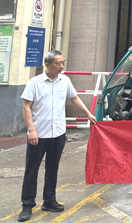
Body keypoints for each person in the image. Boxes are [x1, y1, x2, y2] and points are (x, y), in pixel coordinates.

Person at [18, 50, 96, 222]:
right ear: (47, 65)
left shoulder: (65, 80)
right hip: (39, 133)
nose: (62, 66)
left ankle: (49, 200)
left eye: (63, 62)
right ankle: (27, 205)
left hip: (58, 133)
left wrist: (88, 113)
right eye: (58, 63)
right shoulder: (35, 83)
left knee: (52, 168)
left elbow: (74, 98)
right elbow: (26, 106)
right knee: (32, 169)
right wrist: (31, 130)